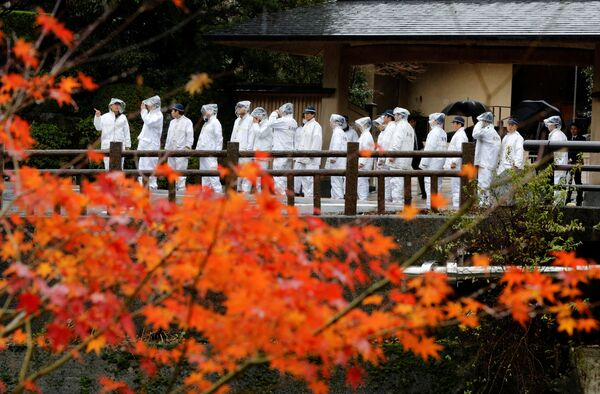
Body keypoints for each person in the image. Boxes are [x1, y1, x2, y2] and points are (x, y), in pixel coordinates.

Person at [387, 107, 415, 207]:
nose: (394, 117)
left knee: (395, 183)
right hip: (406, 160)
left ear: (400, 115)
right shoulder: (410, 127)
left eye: (396, 115)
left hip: (397, 160)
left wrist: (392, 154)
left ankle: (396, 205)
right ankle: (401, 203)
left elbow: (397, 141)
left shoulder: (400, 126)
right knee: (402, 183)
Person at [268, 103, 297, 194]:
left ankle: (280, 196)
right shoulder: (293, 121)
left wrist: (274, 113)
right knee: (285, 175)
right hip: (289, 151)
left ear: (284, 111)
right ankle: (285, 194)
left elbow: (271, 123)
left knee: (278, 174)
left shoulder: (283, 121)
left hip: (280, 151)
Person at [419, 112, 447, 209]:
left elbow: (429, 149)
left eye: (431, 120)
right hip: (439, 165)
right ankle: (436, 208)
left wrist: (423, 164)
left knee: (429, 187)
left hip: (431, 165)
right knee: (437, 187)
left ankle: (430, 208)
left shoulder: (433, 133)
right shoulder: (443, 133)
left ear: (435, 121)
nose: (430, 122)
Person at [293, 105, 322, 197]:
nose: (306, 115)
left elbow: (317, 140)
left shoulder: (316, 126)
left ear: (313, 114)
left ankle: (310, 198)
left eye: (308, 113)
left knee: (310, 179)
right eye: (305, 113)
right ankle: (306, 197)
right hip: (303, 156)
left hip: (311, 157)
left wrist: (312, 153)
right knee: (304, 178)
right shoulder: (306, 125)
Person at [93, 98, 131, 170]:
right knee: (108, 168)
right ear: (110, 106)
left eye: (118, 104)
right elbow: (98, 127)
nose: (117, 106)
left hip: (120, 146)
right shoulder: (104, 117)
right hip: (107, 145)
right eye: (115, 104)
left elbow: (126, 131)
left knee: (120, 168)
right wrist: (97, 117)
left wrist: (128, 145)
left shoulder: (123, 117)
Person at [473, 111, 501, 206]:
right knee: (484, 184)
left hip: (485, 163)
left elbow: (475, 134)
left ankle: (484, 204)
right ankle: (485, 203)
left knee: (483, 184)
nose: (481, 123)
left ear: (485, 121)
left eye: (482, 121)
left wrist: (478, 123)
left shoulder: (487, 131)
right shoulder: (492, 132)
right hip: (488, 163)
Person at [165, 103, 194, 191]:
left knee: (181, 172)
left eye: (173, 111)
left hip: (182, 150)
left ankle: (181, 190)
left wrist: (187, 147)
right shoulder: (172, 122)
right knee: (171, 171)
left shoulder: (187, 122)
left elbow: (190, 136)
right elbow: (169, 137)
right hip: (171, 150)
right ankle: (172, 189)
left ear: (177, 111)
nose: (171, 112)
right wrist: (166, 149)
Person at [495, 116, 524, 203]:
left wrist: (516, 166)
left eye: (512, 125)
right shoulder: (506, 137)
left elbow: (519, 153)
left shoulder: (518, 138)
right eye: (509, 124)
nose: (510, 127)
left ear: (516, 126)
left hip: (511, 168)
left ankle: (509, 207)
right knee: (501, 189)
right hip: (502, 167)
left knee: (510, 189)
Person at [138, 95, 163, 189]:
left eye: (150, 103)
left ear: (155, 104)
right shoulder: (150, 113)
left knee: (150, 165)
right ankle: (142, 184)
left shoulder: (158, 115)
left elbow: (148, 122)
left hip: (152, 144)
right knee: (142, 164)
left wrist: (143, 111)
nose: (147, 105)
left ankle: (152, 186)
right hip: (145, 142)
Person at [196, 104, 223, 193]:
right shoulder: (206, 123)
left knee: (213, 176)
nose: (204, 113)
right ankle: (205, 196)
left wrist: (217, 153)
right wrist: (198, 150)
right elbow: (201, 137)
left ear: (212, 111)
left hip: (211, 154)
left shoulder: (216, 122)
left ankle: (218, 194)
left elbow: (219, 138)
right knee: (204, 176)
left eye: (206, 111)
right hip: (203, 153)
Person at [443, 116, 469, 208]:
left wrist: (454, 161)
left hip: (457, 165)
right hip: (457, 164)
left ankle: (456, 207)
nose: (453, 125)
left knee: (456, 187)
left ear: (459, 124)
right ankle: (456, 206)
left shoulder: (460, 135)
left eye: (454, 123)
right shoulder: (459, 133)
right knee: (456, 186)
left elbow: (459, 149)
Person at [544, 116, 568, 202]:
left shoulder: (556, 135)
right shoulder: (558, 134)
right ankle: (558, 204)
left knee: (558, 184)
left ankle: (557, 206)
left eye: (549, 124)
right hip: (559, 165)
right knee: (559, 184)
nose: (547, 125)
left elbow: (556, 153)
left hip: (558, 165)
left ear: (554, 125)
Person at [231, 101, 253, 192]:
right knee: (236, 173)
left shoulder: (251, 119)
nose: (238, 109)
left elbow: (251, 137)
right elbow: (233, 135)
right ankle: (237, 192)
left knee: (246, 174)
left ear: (247, 108)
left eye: (241, 107)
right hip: (235, 151)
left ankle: (246, 193)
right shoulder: (237, 120)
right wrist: (231, 149)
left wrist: (248, 152)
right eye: (238, 107)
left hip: (245, 151)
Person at [326, 114, 348, 199]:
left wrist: (333, 157)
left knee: (336, 182)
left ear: (335, 122)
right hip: (340, 161)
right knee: (336, 181)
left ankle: (338, 199)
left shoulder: (337, 132)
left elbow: (336, 145)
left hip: (337, 161)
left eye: (331, 121)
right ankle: (335, 198)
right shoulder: (341, 132)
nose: (330, 123)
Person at [249, 107, 271, 191]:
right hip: (257, 153)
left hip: (263, 154)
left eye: (255, 117)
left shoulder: (267, 124)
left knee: (262, 175)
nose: (254, 119)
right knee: (257, 175)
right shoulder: (260, 124)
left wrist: (255, 124)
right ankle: (258, 192)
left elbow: (259, 134)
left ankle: (263, 193)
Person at [376, 110, 395, 202]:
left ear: (389, 117)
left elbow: (386, 144)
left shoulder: (390, 128)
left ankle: (387, 199)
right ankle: (386, 198)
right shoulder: (388, 128)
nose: (383, 118)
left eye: (384, 116)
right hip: (385, 157)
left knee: (386, 180)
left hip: (385, 158)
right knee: (386, 180)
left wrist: (382, 158)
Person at [566, 121, 586, 206]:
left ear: (578, 130)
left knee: (578, 181)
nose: (573, 131)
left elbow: (580, 150)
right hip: (569, 163)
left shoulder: (582, 138)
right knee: (569, 181)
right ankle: (567, 198)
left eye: (575, 129)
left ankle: (579, 198)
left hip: (577, 163)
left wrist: (576, 159)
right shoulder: (568, 138)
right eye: (571, 129)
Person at [356, 117, 375, 200]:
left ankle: (363, 200)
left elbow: (366, 150)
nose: (359, 127)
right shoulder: (364, 135)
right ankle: (362, 199)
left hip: (363, 164)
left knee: (362, 183)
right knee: (361, 182)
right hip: (362, 163)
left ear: (366, 125)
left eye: (361, 125)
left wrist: (361, 163)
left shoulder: (367, 136)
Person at [409, 114, 426, 199]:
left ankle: (423, 192)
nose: (414, 123)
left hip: (417, 155)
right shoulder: (407, 131)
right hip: (409, 155)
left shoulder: (417, 131)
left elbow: (420, 143)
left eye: (414, 122)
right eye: (412, 122)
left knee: (420, 173)